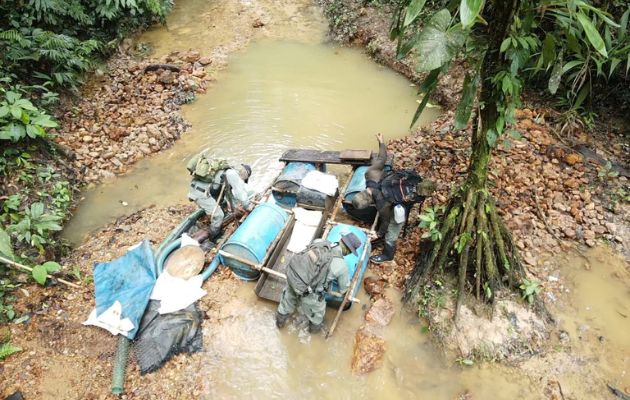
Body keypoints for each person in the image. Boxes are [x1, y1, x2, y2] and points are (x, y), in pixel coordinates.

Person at [352, 133, 436, 263]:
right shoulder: (370, 173)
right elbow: (382, 157)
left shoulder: (381, 203)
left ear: (369, 203)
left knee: (392, 228)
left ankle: (388, 255)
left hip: (401, 203)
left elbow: (386, 221)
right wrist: (381, 142)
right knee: (390, 212)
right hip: (402, 186)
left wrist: (378, 234)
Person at [275, 232, 362, 334]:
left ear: (341, 240)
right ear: (348, 251)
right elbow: (344, 289)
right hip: (310, 293)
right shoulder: (342, 266)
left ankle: (279, 325)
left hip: (293, 278)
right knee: (317, 316)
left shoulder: (319, 242)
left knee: (286, 304)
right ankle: (313, 336)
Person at [187, 150, 254, 238]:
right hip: (200, 193)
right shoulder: (233, 174)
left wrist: (235, 207)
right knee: (219, 216)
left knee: (218, 204)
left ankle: (208, 216)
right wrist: (249, 207)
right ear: (245, 175)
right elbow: (240, 194)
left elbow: (228, 194)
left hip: (198, 189)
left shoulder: (227, 171)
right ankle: (212, 235)